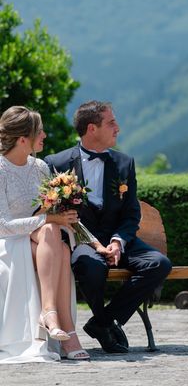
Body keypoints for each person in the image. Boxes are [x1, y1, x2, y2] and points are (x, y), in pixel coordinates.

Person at [45, 101, 172, 354]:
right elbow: (59, 213)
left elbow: (131, 213)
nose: (118, 128)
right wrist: (95, 244)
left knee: (159, 264)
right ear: (92, 128)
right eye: (111, 122)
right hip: (82, 242)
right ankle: (104, 323)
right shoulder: (56, 164)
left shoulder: (125, 164)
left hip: (119, 241)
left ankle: (102, 322)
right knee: (91, 267)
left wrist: (117, 242)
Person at [0, 106, 89, 362]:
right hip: (7, 240)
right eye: (40, 131)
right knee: (55, 242)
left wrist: (63, 219)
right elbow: (2, 224)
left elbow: (47, 211)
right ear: (23, 139)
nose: (45, 135)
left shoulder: (40, 166)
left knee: (55, 238)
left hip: (37, 236)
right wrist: (48, 218)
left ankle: (50, 314)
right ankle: (67, 332)